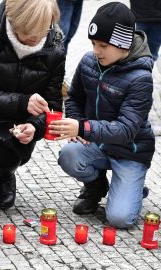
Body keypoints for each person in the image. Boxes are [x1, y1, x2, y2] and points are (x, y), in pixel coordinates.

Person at [48, 2, 155, 228]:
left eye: (103, 45)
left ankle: (132, 187)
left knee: (119, 219)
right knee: (69, 154)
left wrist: (83, 128)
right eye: (94, 43)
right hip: (99, 144)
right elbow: (75, 96)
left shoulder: (141, 78)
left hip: (130, 152)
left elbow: (126, 130)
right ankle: (96, 186)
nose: (96, 50)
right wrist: (78, 125)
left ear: (123, 44)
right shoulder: (89, 61)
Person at [0, 0, 65, 210]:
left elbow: (53, 108)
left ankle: (4, 177)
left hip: (12, 126)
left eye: (43, 30)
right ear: (14, 21)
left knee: (2, 156)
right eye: (30, 33)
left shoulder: (54, 48)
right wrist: (21, 102)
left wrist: (35, 126)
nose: (37, 39)